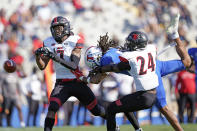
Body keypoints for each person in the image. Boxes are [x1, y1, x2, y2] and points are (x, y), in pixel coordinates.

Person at [85, 14, 192, 131]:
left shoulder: (106, 60)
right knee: (187, 62)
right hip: (155, 64)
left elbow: (98, 79)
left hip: (151, 73)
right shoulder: (113, 51)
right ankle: (174, 35)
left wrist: (86, 79)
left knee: (163, 108)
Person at [34, 16, 106, 131]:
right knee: (52, 108)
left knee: (96, 110)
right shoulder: (48, 42)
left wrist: (56, 58)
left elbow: (73, 65)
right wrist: (38, 57)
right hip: (61, 83)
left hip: (77, 81)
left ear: (66, 28)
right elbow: (42, 66)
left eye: (59, 27)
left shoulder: (75, 40)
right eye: (55, 28)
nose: (57, 30)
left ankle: (112, 121)